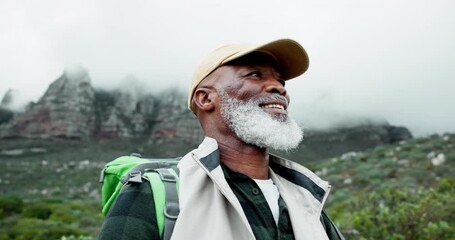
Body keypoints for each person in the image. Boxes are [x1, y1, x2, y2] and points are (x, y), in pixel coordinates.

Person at [97, 38, 344, 240]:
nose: (279, 88)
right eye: (255, 74)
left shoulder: (308, 200)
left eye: (280, 80)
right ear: (205, 99)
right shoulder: (156, 192)